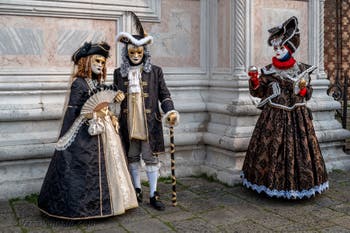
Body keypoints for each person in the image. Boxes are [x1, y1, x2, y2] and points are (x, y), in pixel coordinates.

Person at [38, 41, 138, 219]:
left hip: (104, 128)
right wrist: (92, 114)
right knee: (85, 166)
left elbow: (102, 103)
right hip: (86, 133)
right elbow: (76, 111)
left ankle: (113, 202)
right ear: (86, 61)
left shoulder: (96, 82)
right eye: (97, 61)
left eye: (103, 62)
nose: (101, 65)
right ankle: (84, 207)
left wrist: (113, 105)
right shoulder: (79, 83)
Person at [241, 16, 328, 199]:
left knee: (301, 152)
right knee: (270, 151)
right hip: (273, 116)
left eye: (281, 48)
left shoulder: (302, 69)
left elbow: (308, 93)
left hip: (298, 116)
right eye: (275, 48)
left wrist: (304, 90)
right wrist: (255, 81)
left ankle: (300, 186)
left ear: (289, 49)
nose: (277, 51)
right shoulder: (267, 70)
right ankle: (268, 184)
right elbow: (258, 93)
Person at [113, 12, 179, 211]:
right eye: (132, 53)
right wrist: (114, 98)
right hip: (128, 121)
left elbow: (164, 94)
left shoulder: (155, 71)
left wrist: (171, 111)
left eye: (139, 53)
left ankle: (153, 193)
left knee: (150, 157)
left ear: (144, 53)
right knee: (132, 156)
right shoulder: (119, 73)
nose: (135, 56)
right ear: (127, 53)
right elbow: (113, 96)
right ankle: (136, 188)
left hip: (148, 122)